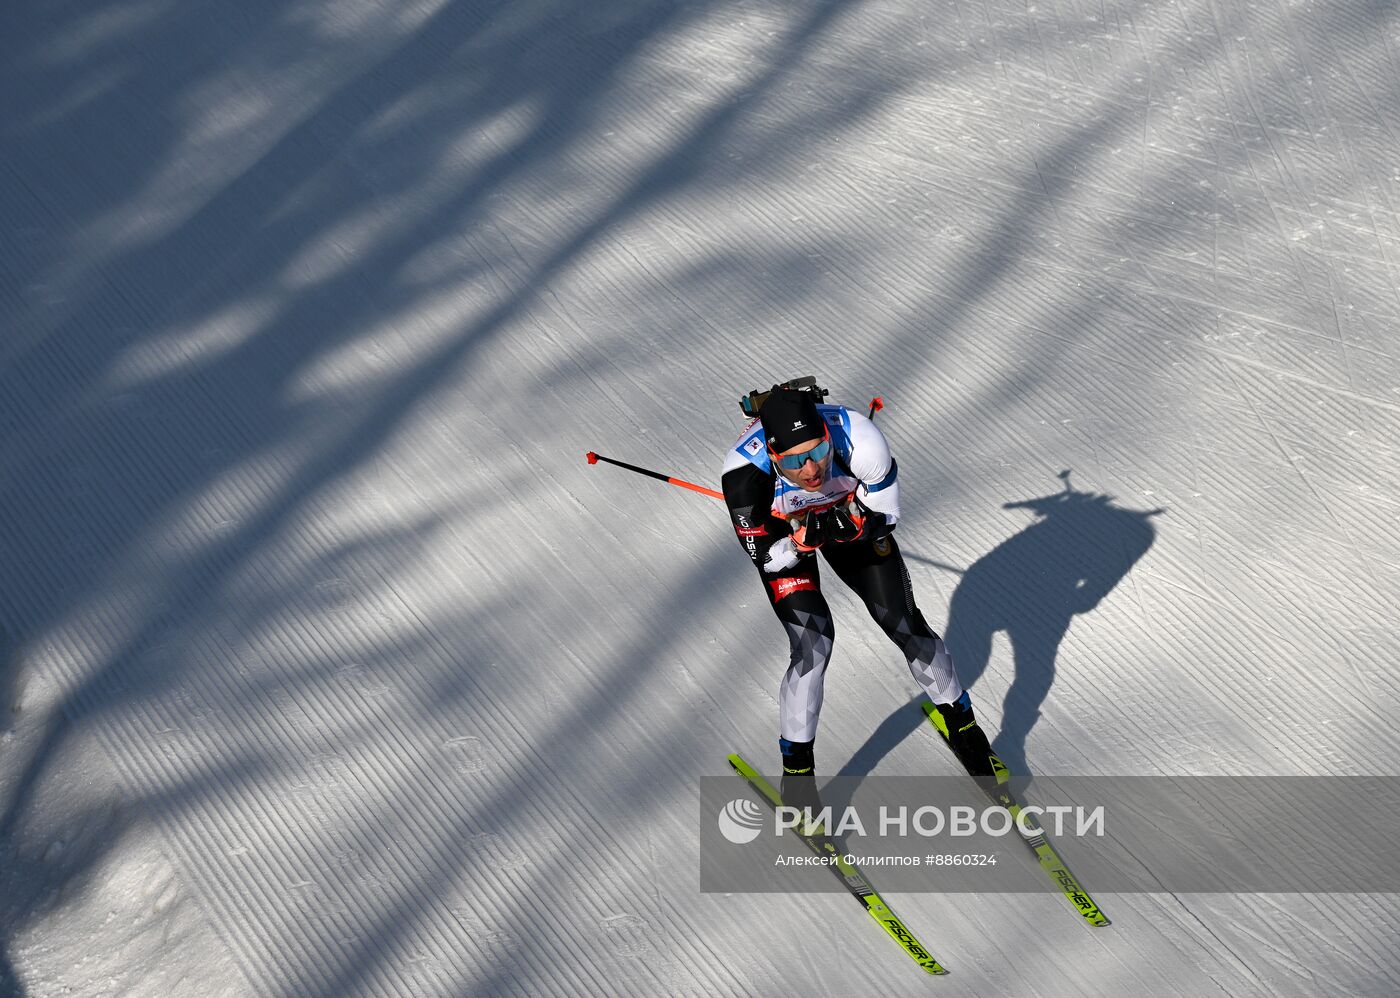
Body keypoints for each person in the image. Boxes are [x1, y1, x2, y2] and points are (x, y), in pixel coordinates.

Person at [720, 381, 997, 810]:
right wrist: (799, 542)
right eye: (794, 461)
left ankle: (965, 728)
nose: (811, 469)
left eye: (818, 451)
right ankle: (797, 778)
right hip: (785, 535)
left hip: (848, 515)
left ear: (829, 435)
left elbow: (887, 517)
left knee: (903, 621)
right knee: (813, 644)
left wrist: (845, 522)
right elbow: (768, 562)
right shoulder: (742, 477)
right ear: (772, 455)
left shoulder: (861, 438)